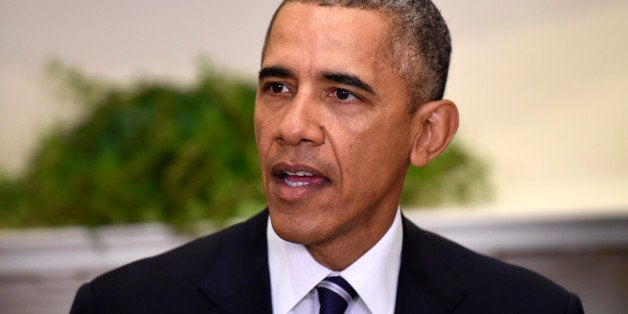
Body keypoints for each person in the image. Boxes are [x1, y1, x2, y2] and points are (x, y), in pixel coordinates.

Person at [70, 1, 584, 313]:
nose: (292, 126)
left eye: (342, 94)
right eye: (277, 86)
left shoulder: (532, 309)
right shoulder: (124, 306)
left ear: (428, 133)